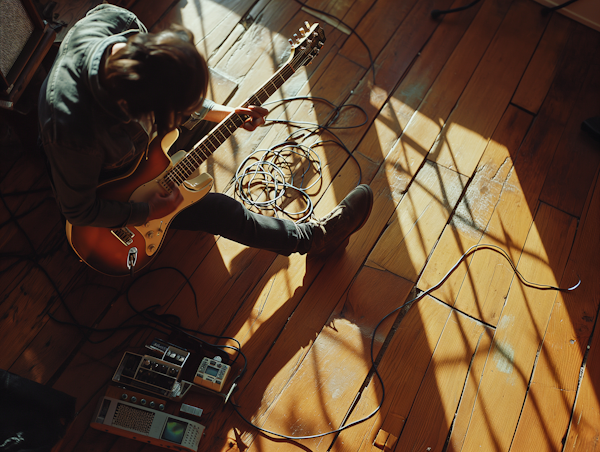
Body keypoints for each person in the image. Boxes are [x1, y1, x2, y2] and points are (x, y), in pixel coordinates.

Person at [38, 4, 373, 262]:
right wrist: (146, 211)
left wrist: (227, 114)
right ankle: (315, 239)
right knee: (223, 212)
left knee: (209, 126)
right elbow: (78, 211)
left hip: (138, 153)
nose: (183, 113)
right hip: (109, 189)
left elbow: (178, 97)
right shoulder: (71, 130)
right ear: (134, 110)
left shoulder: (118, 24)